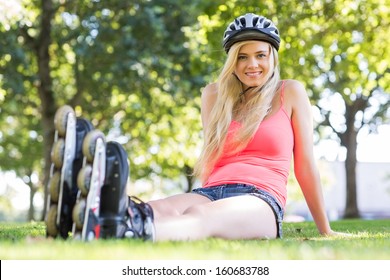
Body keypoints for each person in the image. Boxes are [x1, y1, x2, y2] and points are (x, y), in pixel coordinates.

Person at [47, 13, 342, 241]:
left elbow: (305, 165)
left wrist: (324, 228)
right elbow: (211, 158)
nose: (252, 64)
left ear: (272, 56)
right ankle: (87, 215)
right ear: (232, 61)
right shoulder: (214, 95)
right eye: (242, 56)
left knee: (202, 216)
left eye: (260, 55)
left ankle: (126, 230)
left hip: (261, 199)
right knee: (158, 208)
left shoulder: (289, 91)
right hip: (212, 189)